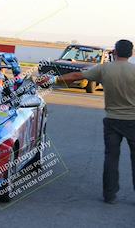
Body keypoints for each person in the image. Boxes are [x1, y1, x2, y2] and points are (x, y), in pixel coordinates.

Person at [38, 39, 135, 204]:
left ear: (114, 52)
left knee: (111, 158)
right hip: (133, 121)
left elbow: (77, 75)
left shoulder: (105, 69)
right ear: (132, 53)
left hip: (112, 120)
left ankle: (109, 195)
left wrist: (53, 80)